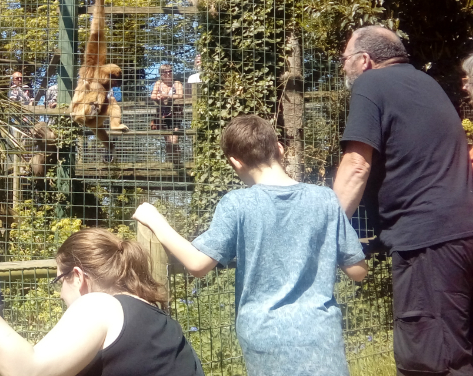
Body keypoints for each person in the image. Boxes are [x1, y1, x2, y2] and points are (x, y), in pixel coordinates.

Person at [134, 114, 367, 376]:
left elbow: (198, 264)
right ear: (279, 149)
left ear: (235, 162)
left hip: (264, 337)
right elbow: (358, 271)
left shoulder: (237, 204)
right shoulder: (325, 199)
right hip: (321, 333)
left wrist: (156, 221)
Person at [334, 26, 473, 375]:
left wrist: (323, 229)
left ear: (365, 61)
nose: (342, 68)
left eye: (345, 59)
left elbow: (356, 166)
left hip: (429, 244)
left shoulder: (371, 84)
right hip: (461, 236)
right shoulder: (426, 84)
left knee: (429, 362)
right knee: (458, 351)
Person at [0, 228, 204, 376]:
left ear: (78, 276)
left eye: (60, 280)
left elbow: (26, 370)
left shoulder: (101, 305)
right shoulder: (161, 321)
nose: (59, 294)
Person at [149, 63, 184, 161]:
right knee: (168, 141)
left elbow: (180, 95)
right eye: (165, 72)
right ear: (161, 74)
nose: (168, 74)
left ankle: (177, 160)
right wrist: (158, 96)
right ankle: (170, 161)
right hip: (162, 116)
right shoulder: (158, 83)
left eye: (170, 71)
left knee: (174, 140)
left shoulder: (176, 83)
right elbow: (152, 96)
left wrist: (167, 96)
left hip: (175, 115)